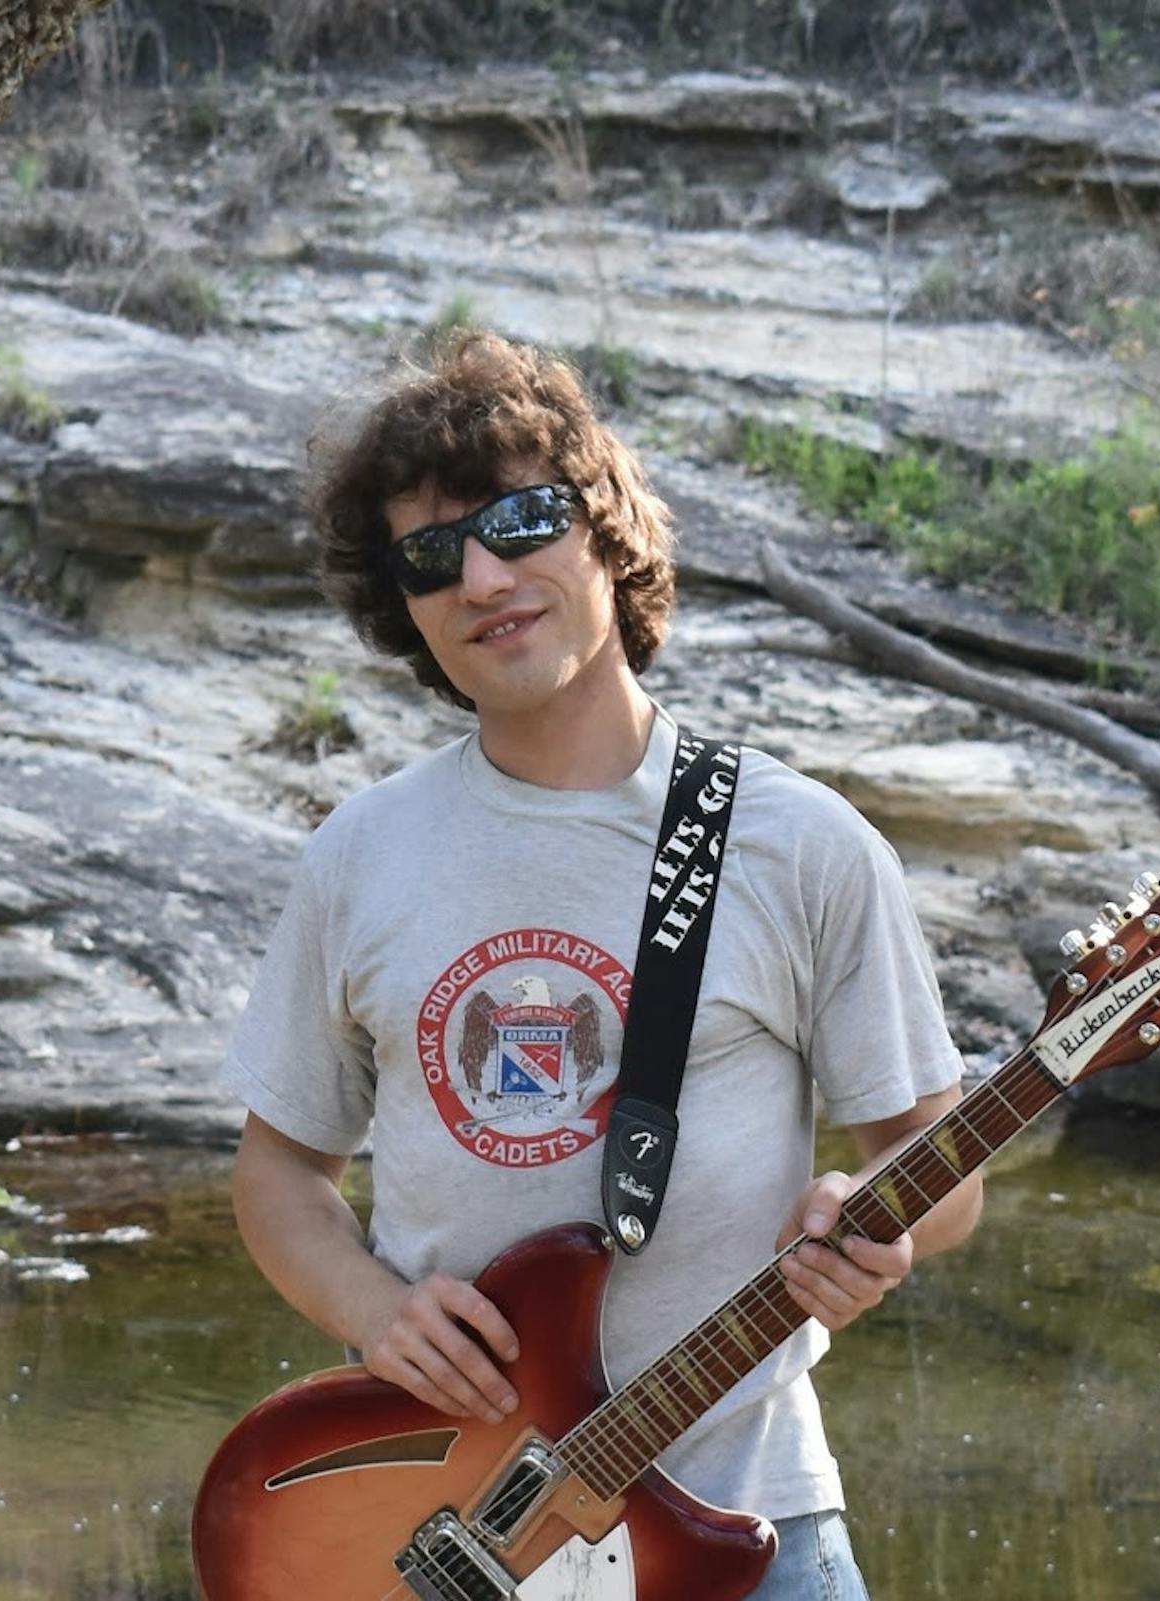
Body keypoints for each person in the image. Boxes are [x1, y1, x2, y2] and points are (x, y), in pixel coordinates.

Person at [222, 330, 983, 1600]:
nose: (481, 577)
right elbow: (279, 1171)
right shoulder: (360, 854)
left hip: (744, 1513)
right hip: (457, 1534)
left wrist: (871, 1222)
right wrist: (371, 1307)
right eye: (430, 555)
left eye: (519, 522)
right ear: (403, 605)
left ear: (605, 530)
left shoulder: (801, 845)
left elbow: (939, 1169)